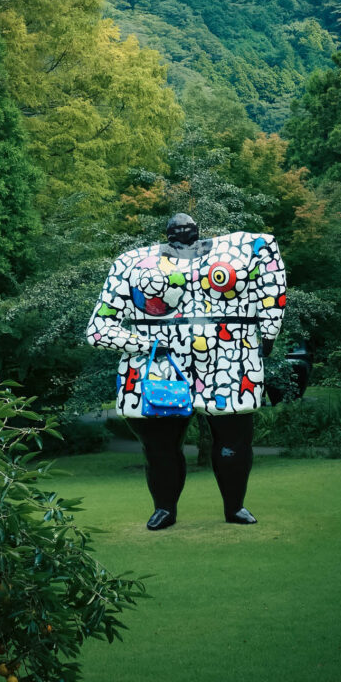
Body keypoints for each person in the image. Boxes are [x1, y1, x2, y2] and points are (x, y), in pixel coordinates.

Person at [86, 213, 286, 530]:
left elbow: (270, 275)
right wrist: (146, 345)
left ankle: (235, 506)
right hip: (160, 369)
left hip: (228, 361)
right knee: (160, 447)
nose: (183, 234)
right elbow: (98, 329)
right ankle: (164, 508)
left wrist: (269, 332)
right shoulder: (132, 262)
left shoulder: (246, 250)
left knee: (234, 441)